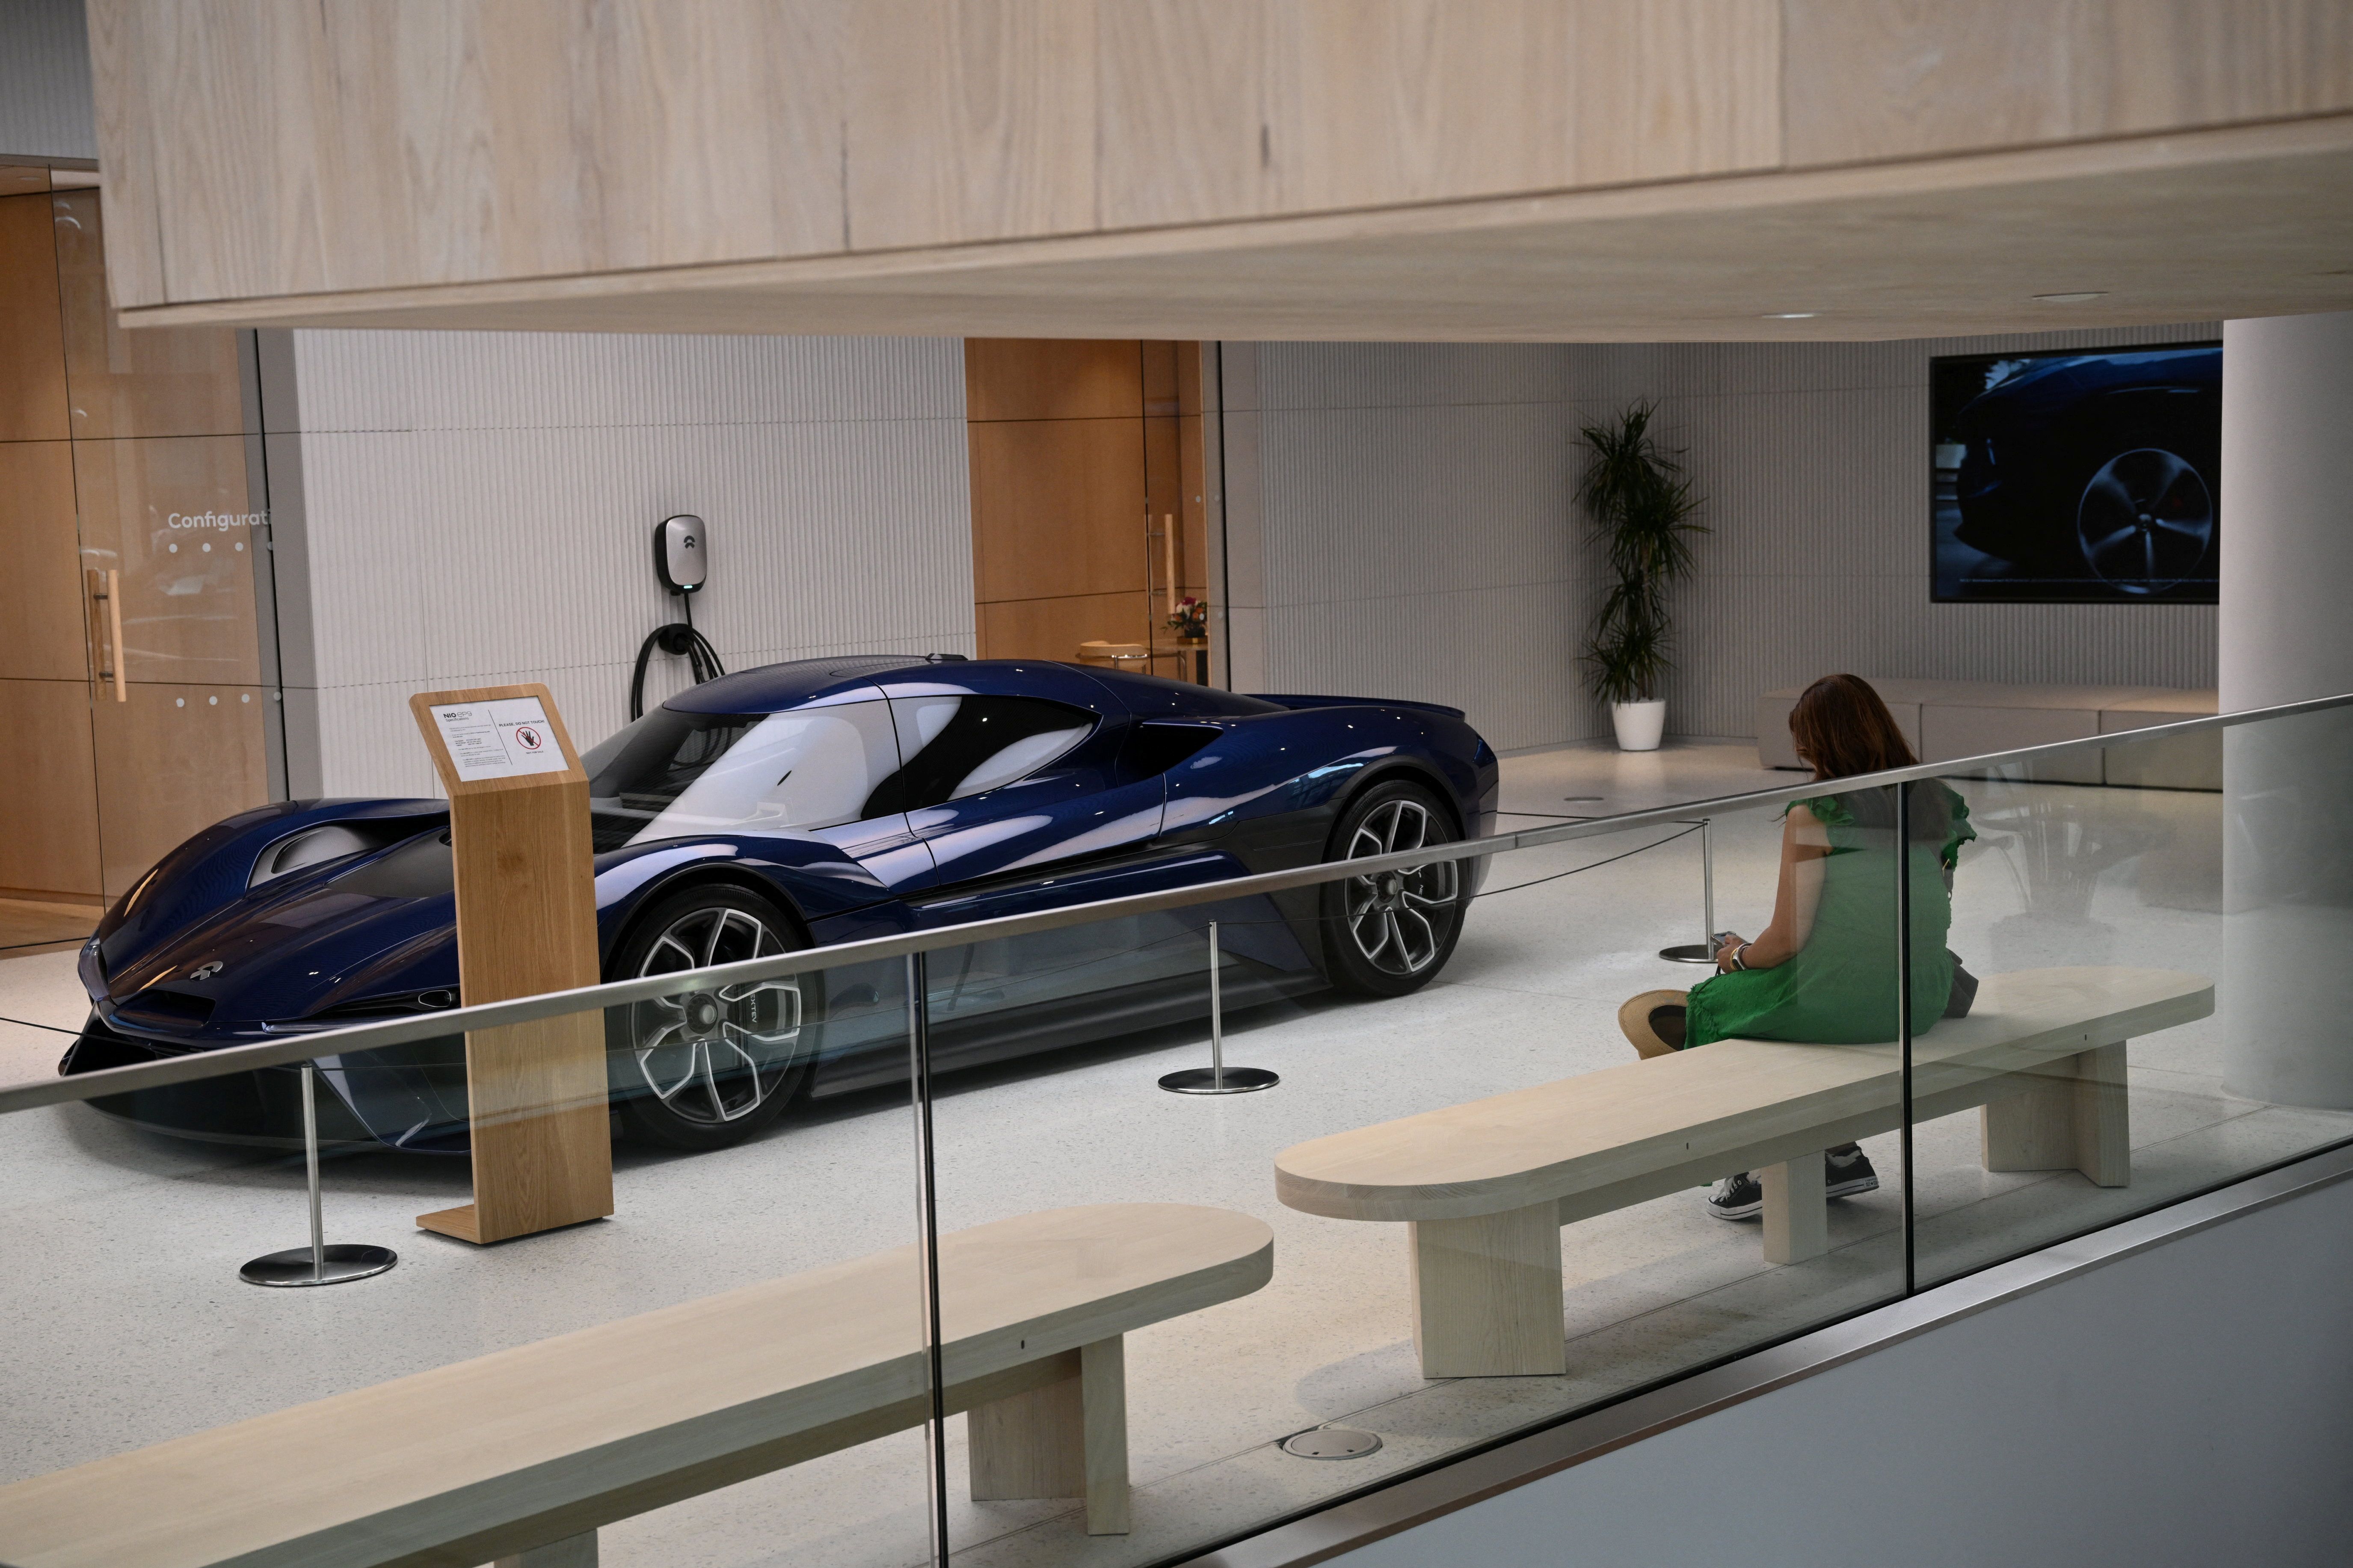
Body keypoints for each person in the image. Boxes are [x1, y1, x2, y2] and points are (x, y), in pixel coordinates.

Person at [1617, 674, 1975, 1221]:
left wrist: (1734, 956)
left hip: (1836, 994)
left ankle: (1755, 1165)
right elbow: (1925, 908)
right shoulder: (1935, 801)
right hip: (1920, 993)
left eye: (1802, 737)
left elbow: (1785, 941)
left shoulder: (1817, 813)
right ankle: (1837, 1151)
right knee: (1759, 1001)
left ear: (1818, 742)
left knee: (1706, 1006)